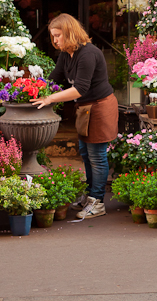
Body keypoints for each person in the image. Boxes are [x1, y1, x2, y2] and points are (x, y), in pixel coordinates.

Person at [31, 13, 117, 219]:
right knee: (86, 154)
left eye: (58, 35)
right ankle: (90, 197)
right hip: (85, 108)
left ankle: (98, 202)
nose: (55, 40)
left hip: (100, 106)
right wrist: (30, 90)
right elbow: (54, 80)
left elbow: (80, 88)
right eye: (53, 36)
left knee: (97, 155)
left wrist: (50, 98)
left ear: (70, 33)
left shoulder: (88, 54)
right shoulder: (65, 54)